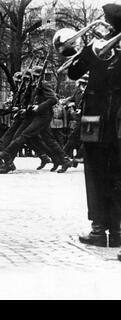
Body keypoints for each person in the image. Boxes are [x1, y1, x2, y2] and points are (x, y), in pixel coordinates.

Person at [68, 2, 121, 249]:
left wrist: (87, 49)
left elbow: (73, 72)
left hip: (94, 118)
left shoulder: (98, 45)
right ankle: (118, 231)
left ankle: (99, 230)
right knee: (117, 173)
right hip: (117, 120)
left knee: (95, 172)